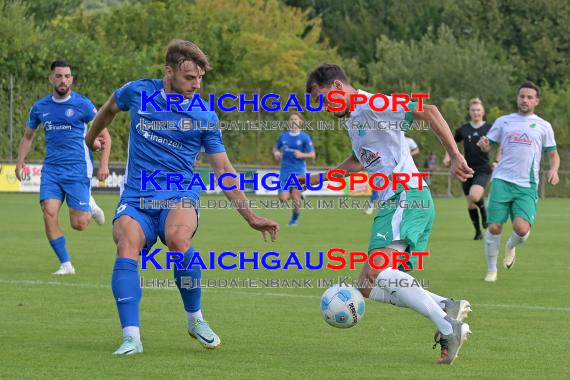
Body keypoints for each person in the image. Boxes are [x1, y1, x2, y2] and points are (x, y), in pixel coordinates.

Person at [85, 39, 279, 355]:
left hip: (179, 193)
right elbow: (108, 109)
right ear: (169, 71)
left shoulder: (204, 116)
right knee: (126, 244)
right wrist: (90, 138)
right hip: (136, 197)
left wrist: (251, 217)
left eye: (200, 79)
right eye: (190, 78)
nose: (196, 85)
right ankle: (131, 337)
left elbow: (224, 170)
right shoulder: (138, 92)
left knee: (178, 239)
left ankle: (195, 319)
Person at [300, 63, 473, 365]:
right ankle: (447, 305)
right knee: (367, 285)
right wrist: (321, 178)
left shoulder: (370, 104)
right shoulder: (354, 118)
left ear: (338, 88)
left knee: (376, 272)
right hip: (396, 199)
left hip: (404, 194)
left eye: (324, 98)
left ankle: (448, 326)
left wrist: (456, 156)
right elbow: (359, 159)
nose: (324, 107)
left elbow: (429, 111)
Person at [15, 60, 110, 275]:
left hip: (77, 168)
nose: (63, 80)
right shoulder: (40, 107)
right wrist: (21, 161)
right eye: (58, 76)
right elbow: (28, 137)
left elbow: (105, 137)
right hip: (52, 170)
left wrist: (104, 163)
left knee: (79, 224)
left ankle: (90, 206)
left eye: (67, 76)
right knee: (48, 212)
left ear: (72, 79)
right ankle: (66, 264)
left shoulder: (83, 105)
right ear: (51, 79)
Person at [477, 81, 559, 282]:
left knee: (522, 230)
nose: (525, 100)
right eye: (522, 96)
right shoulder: (504, 121)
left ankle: (511, 246)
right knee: (494, 227)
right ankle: (491, 270)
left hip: (527, 184)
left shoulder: (544, 126)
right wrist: (484, 145)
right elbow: (488, 146)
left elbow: (553, 154)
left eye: (530, 97)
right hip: (502, 180)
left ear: (536, 101)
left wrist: (554, 169)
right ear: (517, 98)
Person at [443, 98, 494, 240]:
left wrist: (494, 157)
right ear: (469, 112)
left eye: (478, 110)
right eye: (473, 110)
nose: (476, 112)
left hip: (483, 168)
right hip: (466, 168)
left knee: (474, 196)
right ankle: (478, 232)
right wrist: (449, 156)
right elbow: (451, 143)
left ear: (483, 111)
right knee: (470, 203)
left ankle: (484, 213)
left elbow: (497, 144)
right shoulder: (463, 129)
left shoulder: (489, 128)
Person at [273, 112, 315, 226]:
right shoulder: (283, 136)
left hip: (299, 171)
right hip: (285, 171)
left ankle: (294, 220)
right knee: (283, 198)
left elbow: (312, 154)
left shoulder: (305, 137)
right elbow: (276, 148)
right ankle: (298, 195)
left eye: (296, 119)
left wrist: (303, 154)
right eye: (291, 119)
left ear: (300, 122)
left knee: (295, 197)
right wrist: (276, 153)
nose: (293, 121)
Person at [365, 136, 419, 215]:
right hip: (389, 169)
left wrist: (407, 154)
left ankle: (407, 209)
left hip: (405, 169)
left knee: (406, 190)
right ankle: (371, 208)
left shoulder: (409, 140)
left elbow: (417, 150)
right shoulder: (390, 139)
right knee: (377, 190)